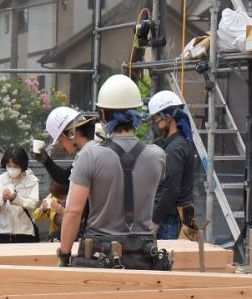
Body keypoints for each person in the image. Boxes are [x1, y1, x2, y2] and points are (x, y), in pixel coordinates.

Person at [58, 75, 167, 269]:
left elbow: (73, 212)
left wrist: (64, 256)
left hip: (100, 258)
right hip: (144, 259)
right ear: (137, 114)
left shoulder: (89, 156)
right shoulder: (157, 156)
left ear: (103, 115)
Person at [148, 90, 197, 240]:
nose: (154, 125)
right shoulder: (181, 143)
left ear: (168, 118)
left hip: (170, 222)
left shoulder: (175, 149)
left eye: (156, 120)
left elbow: (170, 190)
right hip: (175, 218)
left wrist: (154, 222)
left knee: (168, 261)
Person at [0, 146, 40, 243]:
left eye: (15, 166)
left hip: (25, 232)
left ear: (22, 165)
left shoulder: (32, 180)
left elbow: (33, 204)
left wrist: (16, 199)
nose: (12, 169)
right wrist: (2, 198)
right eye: (9, 165)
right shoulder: (0, 179)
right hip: (2, 231)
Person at [32, 105, 79, 187]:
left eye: (60, 141)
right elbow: (66, 177)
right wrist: (47, 162)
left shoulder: (88, 156)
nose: (62, 146)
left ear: (71, 133)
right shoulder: (84, 154)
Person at [33, 178, 69, 242]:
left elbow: (81, 220)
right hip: (56, 237)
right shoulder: (52, 197)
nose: (60, 200)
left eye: (62, 198)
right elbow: (36, 217)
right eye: (57, 197)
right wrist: (43, 209)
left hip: (73, 235)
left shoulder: (76, 198)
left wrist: (64, 212)